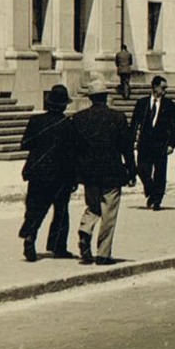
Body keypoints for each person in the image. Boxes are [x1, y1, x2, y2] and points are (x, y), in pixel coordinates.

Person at [71, 77, 135, 265]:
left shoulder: (79, 118)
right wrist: (132, 171)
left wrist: (75, 175)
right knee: (109, 213)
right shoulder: (118, 117)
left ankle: (86, 228)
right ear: (106, 96)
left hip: (88, 173)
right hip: (112, 172)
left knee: (93, 207)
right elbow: (127, 148)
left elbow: (74, 149)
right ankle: (103, 253)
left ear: (90, 98)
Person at [18, 84, 77, 261]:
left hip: (38, 172)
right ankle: (58, 247)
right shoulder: (68, 124)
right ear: (64, 105)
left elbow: (25, 143)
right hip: (61, 175)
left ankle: (30, 236)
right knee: (60, 211)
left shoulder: (36, 121)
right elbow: (73, 152)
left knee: (35, 208)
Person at [131, 75, 175, 209]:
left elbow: (173, 126)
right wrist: (132, 139)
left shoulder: (169, 105)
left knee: (160, 173)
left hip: (160, 144)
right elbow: (135, 123)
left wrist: (171, 144)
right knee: (142, 169)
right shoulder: (142, 103)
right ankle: (151, 190)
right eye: (163, 88)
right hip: (144, 143)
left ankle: (157, 200)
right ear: (155, 87)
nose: (165, 91)